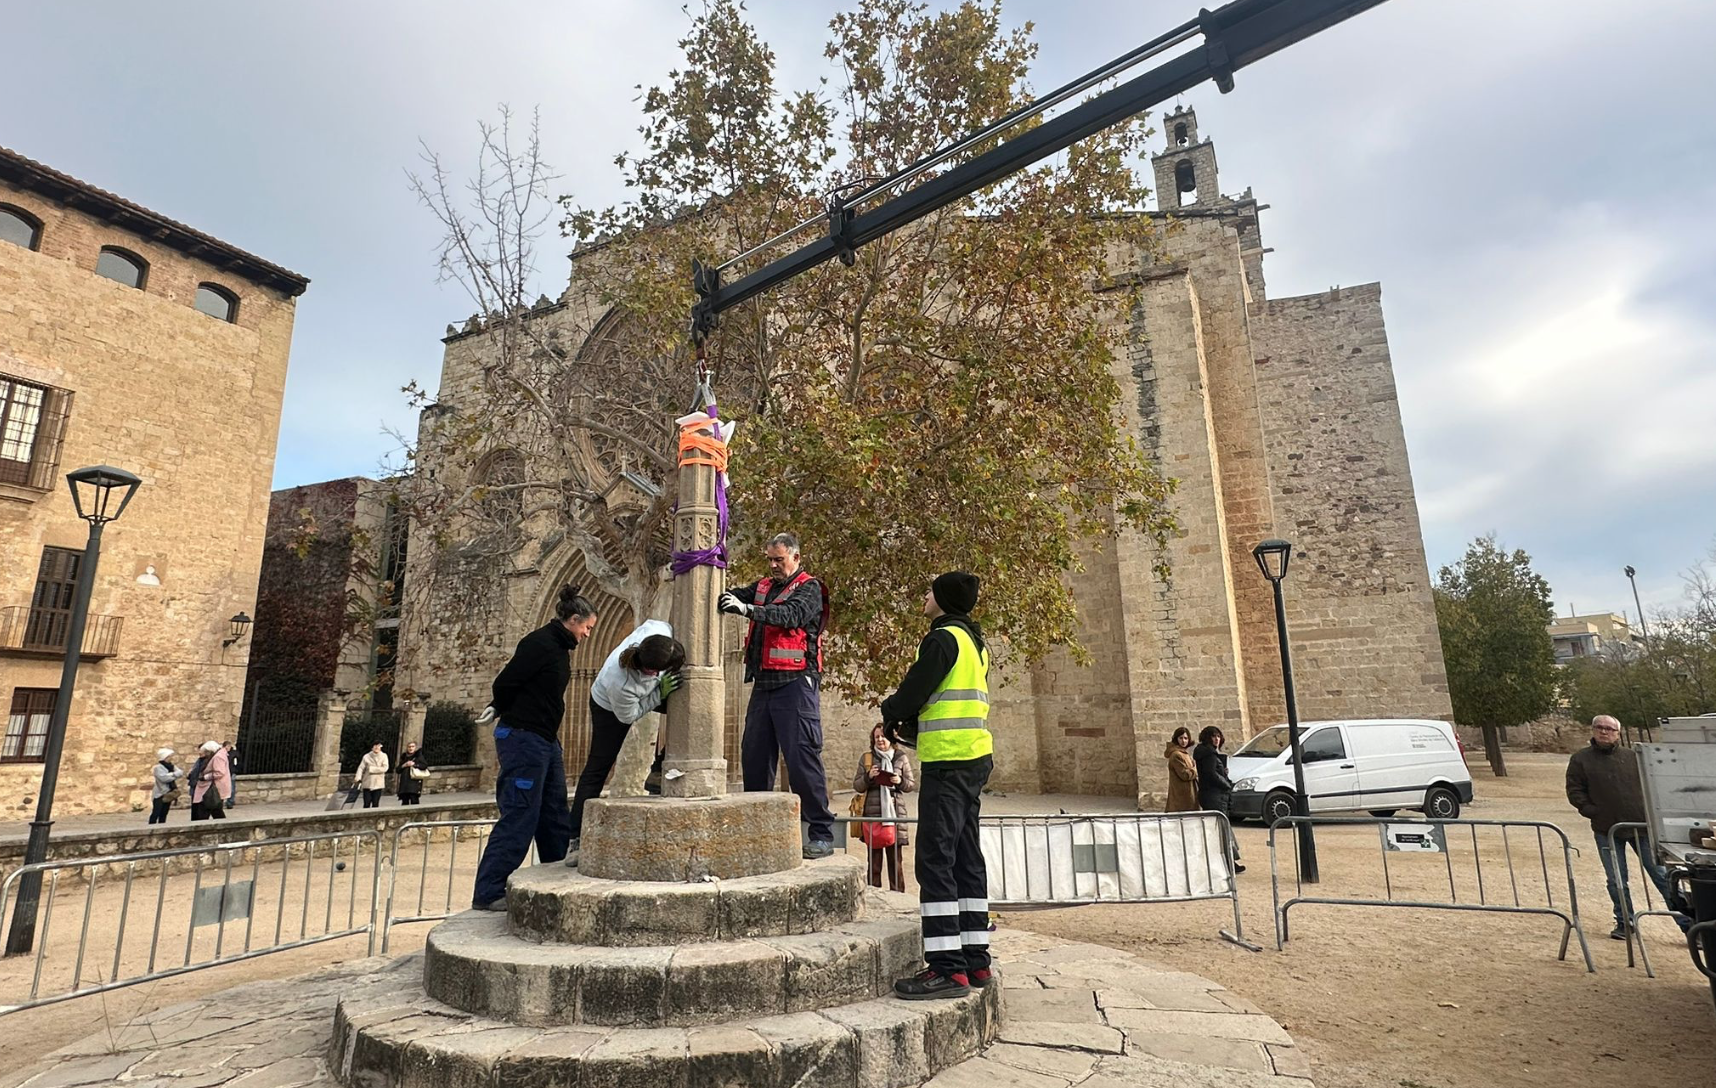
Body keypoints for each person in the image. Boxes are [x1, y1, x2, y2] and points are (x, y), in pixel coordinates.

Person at [881, 571, 992, 1000]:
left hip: (948, 759)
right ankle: (975, 959)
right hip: (974, 757)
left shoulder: (943, 638)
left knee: (934, 859)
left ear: (943, 598)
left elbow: (915, 690)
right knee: (966, 858)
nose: (924, 596)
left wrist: (890, 709)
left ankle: (947, 967)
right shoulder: (975, 643)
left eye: (929, 590)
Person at [471, 585, 599, 911]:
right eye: (587, 627)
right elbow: (506, 681)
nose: (587, 634)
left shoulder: (558, 648)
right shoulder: (539, 644)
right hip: (524, 737)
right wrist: (498, 706)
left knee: (554, 814)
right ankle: (489, 892)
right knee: (520, 814)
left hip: (545, 740)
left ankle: (555, 881)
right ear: (572, 620)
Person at [719, 532, 836, 859]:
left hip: (797, 684)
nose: (772, 565)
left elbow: (791, 616)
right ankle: (757, 831)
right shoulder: (763, 587)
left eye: (779, 560)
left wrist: (746, 610)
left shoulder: (810, 588)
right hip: (764, 684)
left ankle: (821, 833)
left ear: (795, 558)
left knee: (802, 759)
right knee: (753, 756)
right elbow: (730, 595)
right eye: (769, 559)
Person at [566, 621, 686, 863]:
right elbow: (629, 716)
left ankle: (658, 768)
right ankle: (575, 839)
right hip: (609, 709)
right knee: (597, 767)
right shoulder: (620, 683)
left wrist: (660, 689)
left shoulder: (658, 633)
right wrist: (658, 694)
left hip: (646, 691)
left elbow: (659, 622)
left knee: (689, 703)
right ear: (653, 672)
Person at [1566, 714, 1688, 940]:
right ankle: (1625, 922)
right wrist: (1592, 810)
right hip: (1607, 830)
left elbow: (1654, 785)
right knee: (1616, 880)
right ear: (1593, 731)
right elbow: (1575, 790)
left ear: (1618, 733)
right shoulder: (1580, 760)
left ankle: (1689, 925)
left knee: (1662, 876)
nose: (1604, 732)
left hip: (1641, 827)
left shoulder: (1633, 757)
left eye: (1609, 729)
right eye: (1599, 727)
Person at [852, 723, 914, 892]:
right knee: (874, 864)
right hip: (873, 816)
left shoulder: (901, 757)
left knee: (896, 864)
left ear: (890, 738)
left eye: (883, 736)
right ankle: (874, 897)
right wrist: (868, 777)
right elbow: (857, 786)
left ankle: (899, 899)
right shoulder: (866, 758)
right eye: (877, 737)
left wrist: (899, 781)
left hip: (895, 816)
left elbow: (911, 785)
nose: (880, 739)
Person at [1193, 726, 1244, 873]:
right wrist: (1226, 784)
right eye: (1214, 736)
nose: (1217, 739)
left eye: (1218, 736)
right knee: (1221, 829)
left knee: (1219, 829)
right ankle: (1228, 863)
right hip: (1215, 796)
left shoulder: (1207, 753)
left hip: (1211, 795)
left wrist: (1222, 771)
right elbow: (1211, 774)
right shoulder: (1209, 754)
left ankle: (1229, 861)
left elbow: (1212, 772)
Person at [189, 740, 229, 821]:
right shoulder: (219, 755)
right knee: (214, 809)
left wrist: (205, 777)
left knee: (209, 808)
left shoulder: (218, 757)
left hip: (211, 787)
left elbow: (219, 772)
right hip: (211, 787)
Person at [1164, 727, 1199, 813]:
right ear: (1176, 739)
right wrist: (1195, 769)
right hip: (1181, 798)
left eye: (1186, 738)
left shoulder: (1184, 754)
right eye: (1181, 738)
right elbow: (1185, 775)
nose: (1183, 741)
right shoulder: (1176, 755)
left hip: (1188, 795)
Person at [149, 748, 185, 824]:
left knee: (164, 813)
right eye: (169, 757)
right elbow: (164, 779)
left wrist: (171, 774)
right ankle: (151, 827)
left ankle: (162, 826)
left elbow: (180, 772)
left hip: (169, 793)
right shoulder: (158, 768)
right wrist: (173, 775)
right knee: (156, 813)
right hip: (160, 794)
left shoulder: (171, 766)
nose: (171, 758)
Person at [358, 742, 390, 808]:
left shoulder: (384, 756)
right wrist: (358, 777)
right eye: (375, 746)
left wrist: (372, 769)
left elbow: (385, 768)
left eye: (378, 746)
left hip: (378, 783)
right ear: (372, 747)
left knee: (375, 803)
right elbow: (361, 767)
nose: (376, 747)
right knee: (366, 803)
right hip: (367, 782)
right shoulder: (366, 756)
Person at [396, 741, 428, 805]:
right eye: (409, 747)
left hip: (414, 783)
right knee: (405, 802)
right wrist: (404, 765)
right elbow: (398, 770)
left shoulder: (418, 756)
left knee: (414, 800)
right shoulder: (404, 757)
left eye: (412, 746)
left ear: (415, 748)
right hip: (404, 784)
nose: (411, 748)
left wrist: (414, 764)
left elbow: (424, 766)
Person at [223, 741, 239, 809]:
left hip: (232, 771)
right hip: (225, 772)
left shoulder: (234, 753)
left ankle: (230, 802)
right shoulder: (223, 753)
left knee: (232, 787)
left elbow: (236, 762)